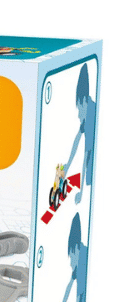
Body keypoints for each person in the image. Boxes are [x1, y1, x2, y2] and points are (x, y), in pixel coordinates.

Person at [63, 64, 96, 205]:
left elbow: (86, 155)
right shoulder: (89, 108)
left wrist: (81, 192)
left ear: (83, 101)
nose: (78, 115)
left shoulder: (91, 117)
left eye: (79, 107)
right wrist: (67, 166)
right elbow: (76, 141)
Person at [53, 213, 87, 302]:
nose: (71, 262)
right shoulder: (79, 257)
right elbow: (68, 288)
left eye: (71, 255)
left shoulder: (82, 262)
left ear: (76, 249)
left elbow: (78, 298)